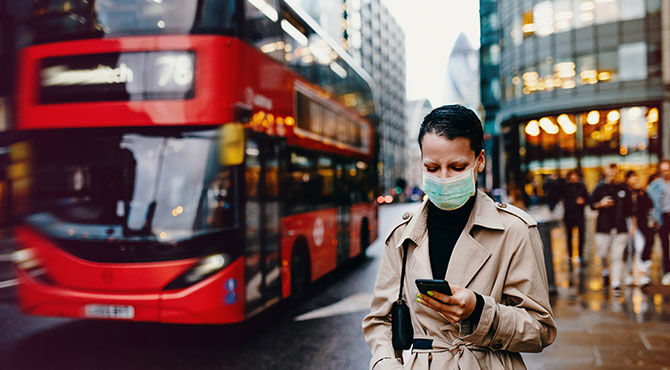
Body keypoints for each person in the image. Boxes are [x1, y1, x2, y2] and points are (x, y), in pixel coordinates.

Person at [362, 105, 556, 369]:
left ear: (480, 160)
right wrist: (386, 363)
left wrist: (478, 311)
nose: (443, 179)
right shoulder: (402, 233)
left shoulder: (516, 229)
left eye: (457, 166)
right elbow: (379, 321)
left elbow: (540, 330)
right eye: (431, 168)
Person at [589, 163, 634, 294]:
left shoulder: (623, 189)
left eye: (615, 173)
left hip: (620, 228)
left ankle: (616, 283)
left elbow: (630, 209)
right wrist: (601, 204)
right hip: (603, 227)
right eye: (610, 172)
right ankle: (605, 270)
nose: (613, 175)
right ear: (606, 172)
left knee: (617, 256)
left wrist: (632, 226)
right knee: (603, 253)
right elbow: (591, 204)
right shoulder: (600, 188)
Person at [624, 170, 654, 286]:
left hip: (641, 225)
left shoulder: (641, 192)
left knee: (641, 248)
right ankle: (629, 274)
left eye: (635, 178)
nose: (634, 180)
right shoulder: (624, 192)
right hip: (627, 224)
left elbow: (649, 206)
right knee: (629, 250)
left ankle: (643, 276)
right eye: (631, 178)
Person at [647, 160, 670, 285]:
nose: (665, 173)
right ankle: (667, 271)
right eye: (663, 170)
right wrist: (654, 218)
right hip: (663, 217)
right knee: (665, 245)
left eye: (667, 170)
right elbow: (649, 200)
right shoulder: (656, 185)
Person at [561, 170, 589, 274]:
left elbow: (588, 198)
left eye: (575, 176)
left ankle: (580, 255)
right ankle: (570, 256)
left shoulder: (582, 187)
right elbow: (561, 196)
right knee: (569, 236)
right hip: (569, 215)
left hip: (579, 215)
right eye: (572, 176)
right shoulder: (565, 187)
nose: (574, 178)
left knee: (581, 236)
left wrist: (583, 201)